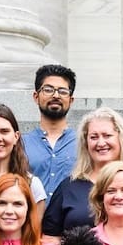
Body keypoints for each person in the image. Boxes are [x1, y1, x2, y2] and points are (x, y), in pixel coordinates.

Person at [42, 107, 123, 238]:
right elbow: (49, 238)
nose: (101, 143)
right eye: (93, 137)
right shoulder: (69, 187)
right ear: (85, 142)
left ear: (121, 138)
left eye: (107, 135)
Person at [23, 63, 79, 200]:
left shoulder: (84, 143)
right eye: (48, 90)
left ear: (71, 100)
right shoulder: (21, 143)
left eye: (63, 91)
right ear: (36, 97)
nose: (56, 95)